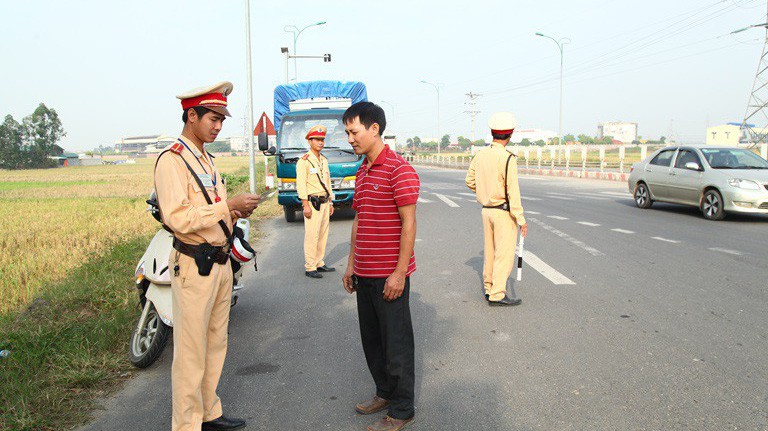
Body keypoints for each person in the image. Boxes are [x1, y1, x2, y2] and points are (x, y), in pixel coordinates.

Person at [154, 81, 260, 431]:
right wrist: (226, 206)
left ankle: (208, 411)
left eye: (222, 120)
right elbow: (178, 217)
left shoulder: (207, 160)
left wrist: (234, 213)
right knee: (189, 353)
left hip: (219, 261)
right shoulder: (172, 161)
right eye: (213, 118)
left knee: (216, 341)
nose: (218, 126)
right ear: (191, 115)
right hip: (193, 266)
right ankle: (186, 425)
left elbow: (212, 212)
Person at [341, 102, 420, 431]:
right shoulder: (363, 169)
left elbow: (409, 223)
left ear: (375, 129)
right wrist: (350, 265)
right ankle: (384, 392)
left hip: (389, 275)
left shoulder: (398, 168)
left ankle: (402, 410)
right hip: (365, 273)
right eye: (347, 133)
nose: (350, 139)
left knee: (396, 344)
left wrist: (399, 272)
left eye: (354, 131)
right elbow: (359, 219)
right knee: (372, 340)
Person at [465, 111, 528, 307]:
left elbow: (469, 180)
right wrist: (520, 219)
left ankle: (489, 287)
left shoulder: (480, 155)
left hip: (486, 210)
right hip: (502, 212)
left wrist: (483, 191)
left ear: (492, 133)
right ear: (510, 135)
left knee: (490, 251)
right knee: (504, 254)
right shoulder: (508, 158)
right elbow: (513, 192)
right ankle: (498, 294)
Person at [296, 124, 335, 278]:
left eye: (322, 140)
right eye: (317, 139)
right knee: (312, 235)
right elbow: (301, 184)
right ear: (310, 141)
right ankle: (310, 266)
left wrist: (331, 202)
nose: (320, 142)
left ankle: (319, 262)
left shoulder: (324, 160)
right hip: (313, 203)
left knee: (323, 234)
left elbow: (328, 181)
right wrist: (305, 205)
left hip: (325, 202)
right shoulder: (304, 161)